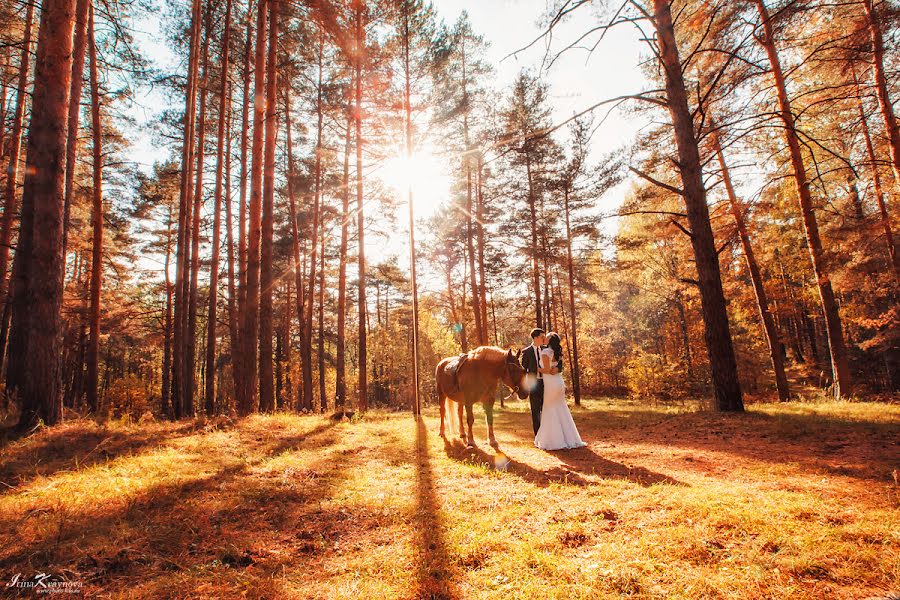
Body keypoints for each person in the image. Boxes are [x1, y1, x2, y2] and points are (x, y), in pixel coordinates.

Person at [533, 332, 586, 450]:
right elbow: (555, 368)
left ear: (550, 339)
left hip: (551, 384)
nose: (544, 338)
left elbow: (546, 370)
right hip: (558, 383)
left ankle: (553, 440)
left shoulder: (546, 352)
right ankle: (569, 438)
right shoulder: (556, 352)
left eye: (546, 337)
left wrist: (535, 368)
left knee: (550, 409)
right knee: (560, 408)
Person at [520, 328, 547, 435]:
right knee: (535, 411)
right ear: (535, 338)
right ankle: (538, 436)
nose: (544, 339)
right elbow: (523, 370)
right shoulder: (526, 352)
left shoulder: (546, 349)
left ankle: (547, 434)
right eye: (542, 337)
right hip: (534, 385)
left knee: (546, 410)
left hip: (547, 384)